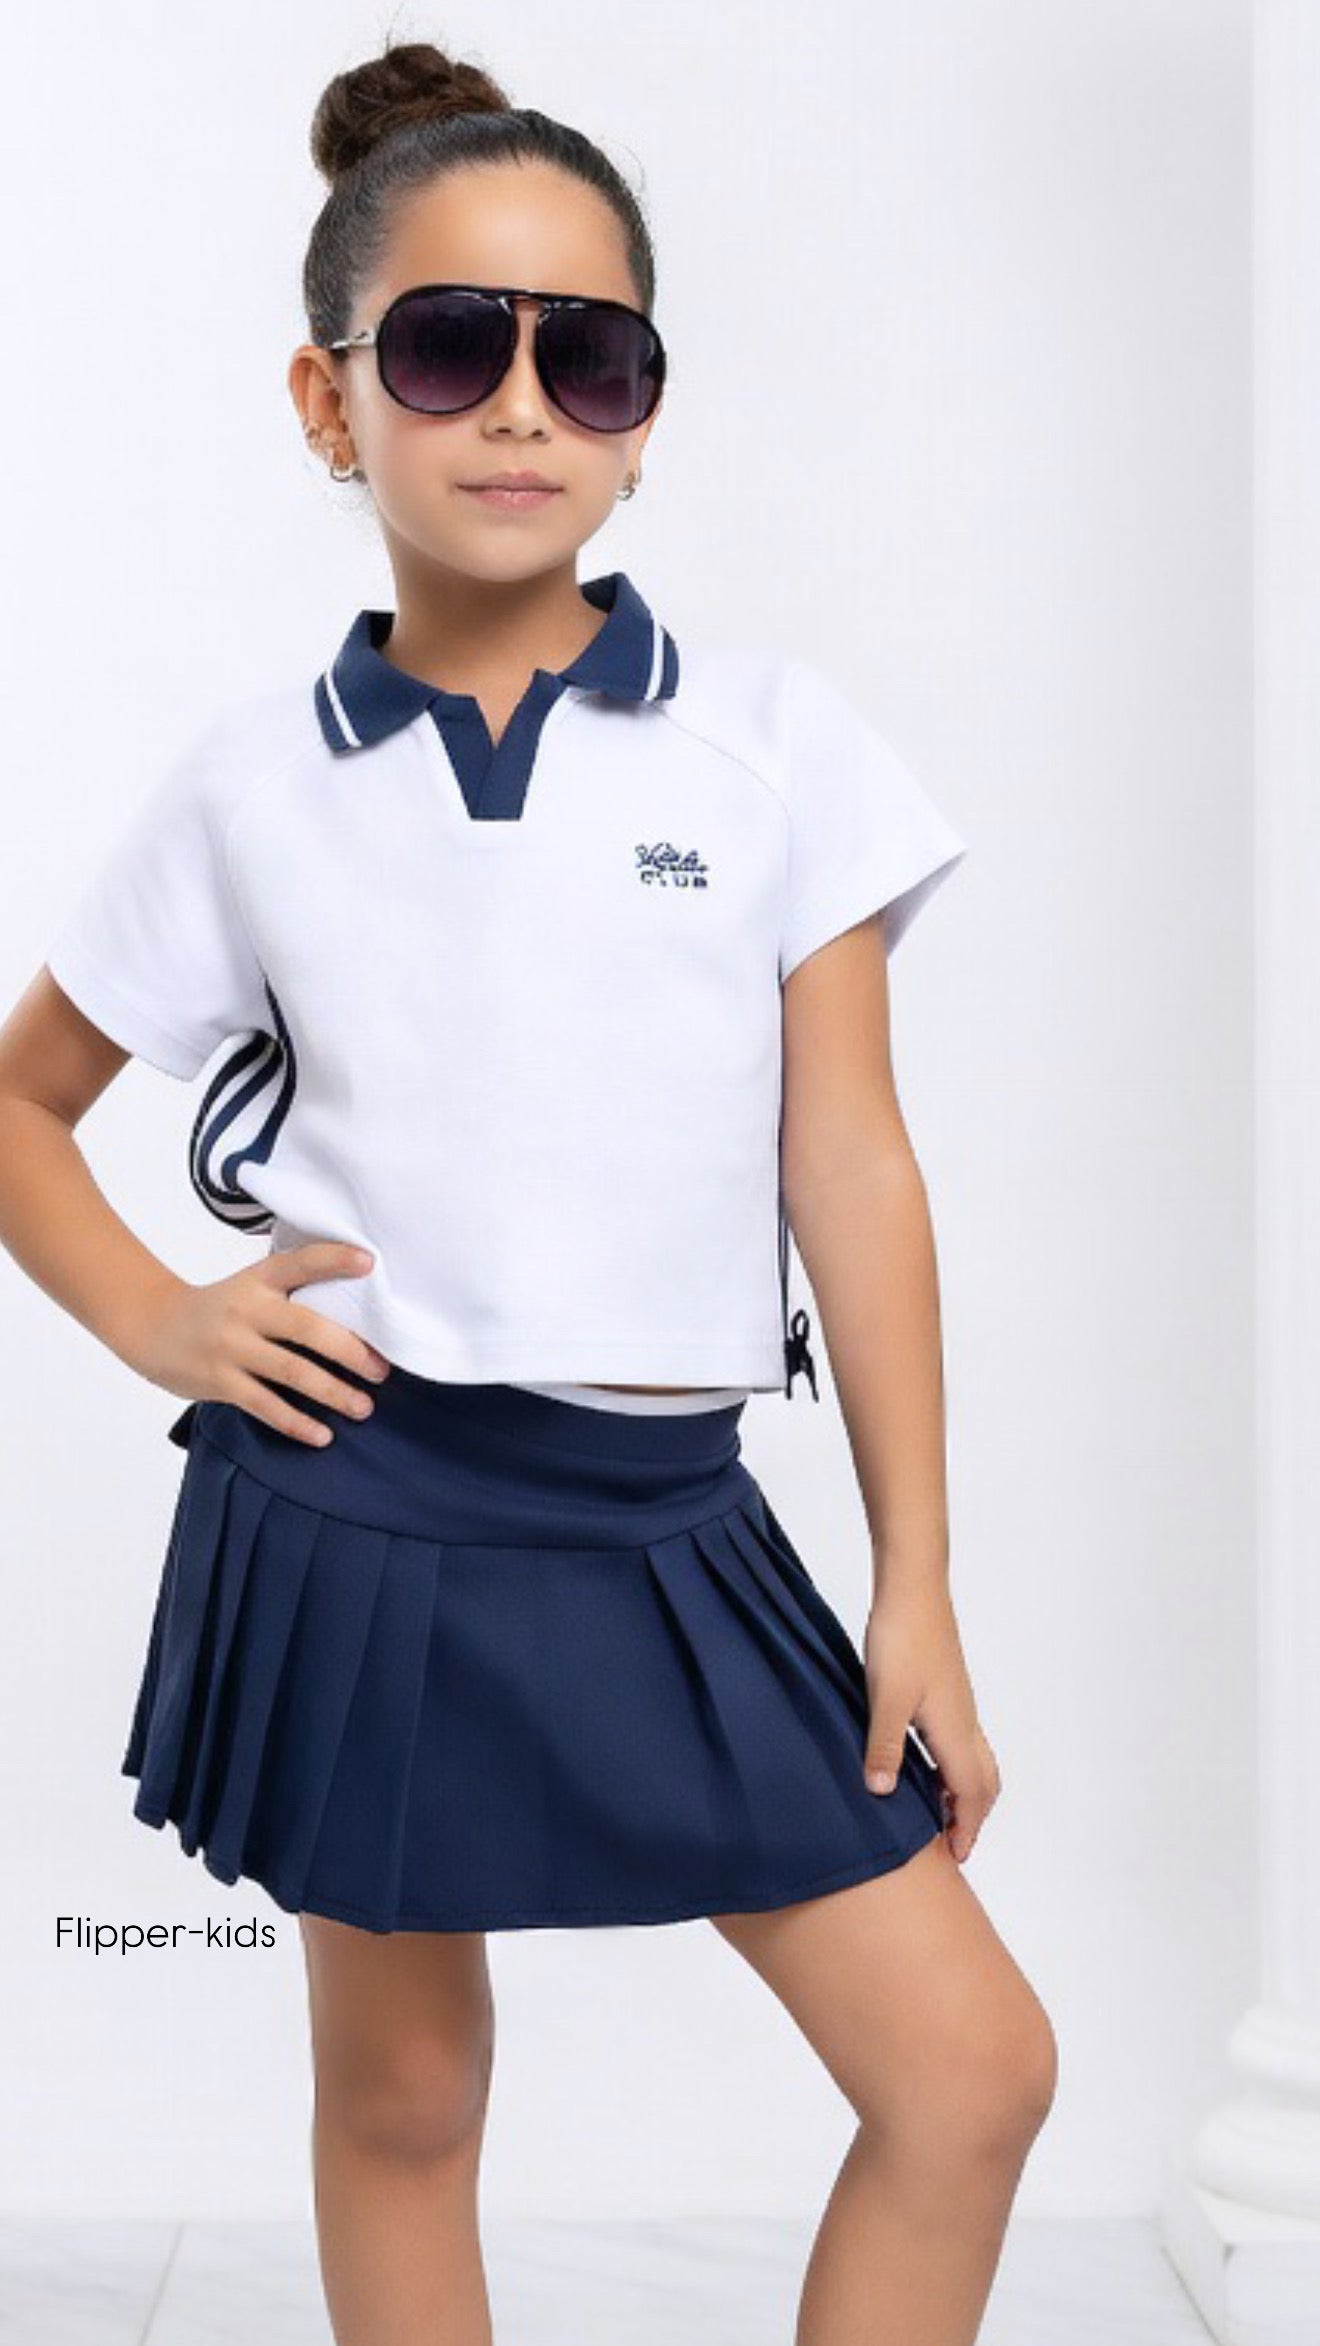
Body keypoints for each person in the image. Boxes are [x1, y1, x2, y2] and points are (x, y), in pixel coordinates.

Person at [0, 35, 1056, 2346]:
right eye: (450, 347)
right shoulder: (252, 786)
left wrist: (916, 1584)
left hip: (669, 1520)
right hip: (358, 1505)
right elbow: (19, 1106)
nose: (519, 409)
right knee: (404, 2099)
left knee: (971, 2074)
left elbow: (854, 1165)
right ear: (328, 399)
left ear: (647, 411)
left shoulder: (778, 752)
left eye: (591, 359)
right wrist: (166, 1317)